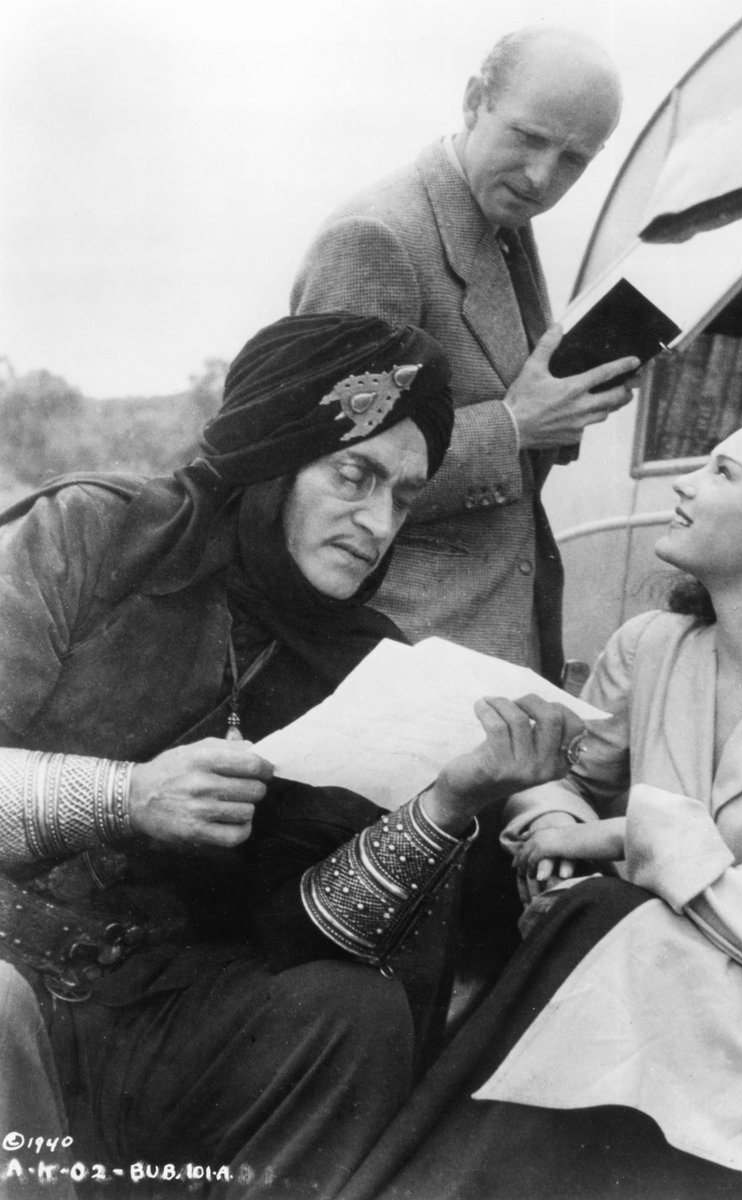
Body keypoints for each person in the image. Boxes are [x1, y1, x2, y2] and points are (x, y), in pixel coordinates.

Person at [0, 312, 584, 1199]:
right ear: (277, 455)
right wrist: (125, 796)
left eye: (403, 495)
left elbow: (304, 929)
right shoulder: (90, 536)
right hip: (12, 972)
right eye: (356, 474)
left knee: (351, 1015)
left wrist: (447, 805)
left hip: (165, 1015)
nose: (378, 520)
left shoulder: (363, 661)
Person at [337, 404, 742, 1200]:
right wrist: (554, 829)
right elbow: (565, 774)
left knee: (599, 926)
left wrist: (628, 833)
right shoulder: (652, 645)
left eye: (721, 471)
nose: (685, 482)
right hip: (640, 969)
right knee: (591, 930)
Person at [290, 25, 637, 685]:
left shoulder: (502, 223)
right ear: (474, 99)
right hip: (396, 660)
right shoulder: (378, 237)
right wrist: (515, 427)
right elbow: (318, 477)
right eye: (529, 138)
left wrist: (572, 401)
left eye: (574, 160)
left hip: (476, 657)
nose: (542, 177)